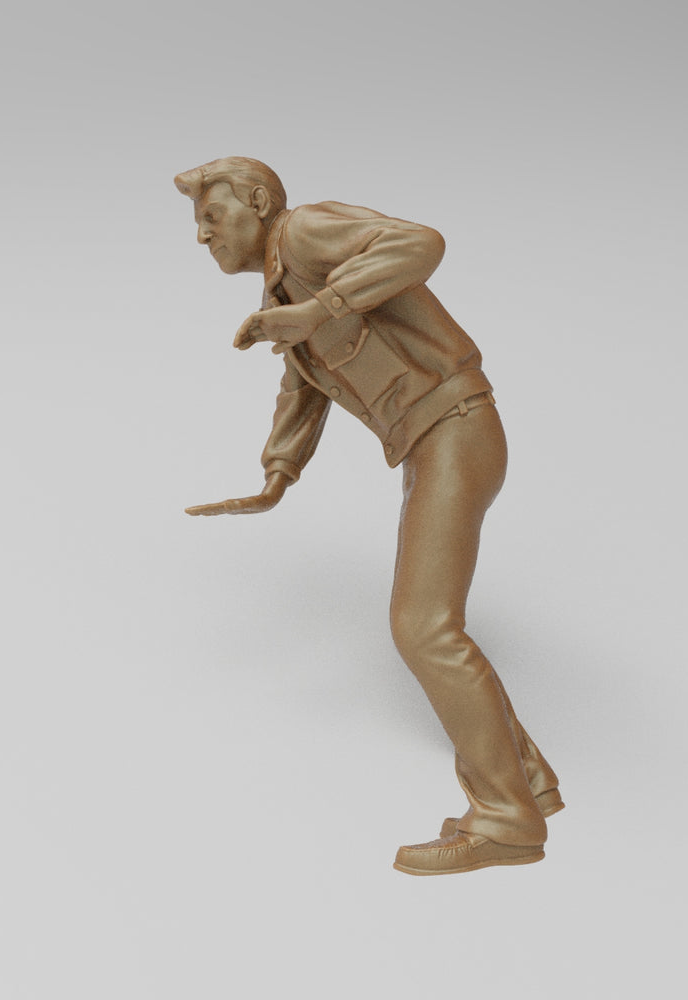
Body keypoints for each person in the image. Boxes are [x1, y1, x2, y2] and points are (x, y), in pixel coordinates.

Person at [174, 156, 563, 875]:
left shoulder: (306, 230)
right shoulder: (282, 286)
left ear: (257, 202)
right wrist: (277, 476)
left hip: (454, 426)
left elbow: (421, 243)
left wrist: (319, 309)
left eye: (211, 216)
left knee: (423, 627)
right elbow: (302, 389)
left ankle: (508, 820)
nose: (202, 235)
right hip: (429, 439)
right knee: (427, 625)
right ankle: (528, 781)